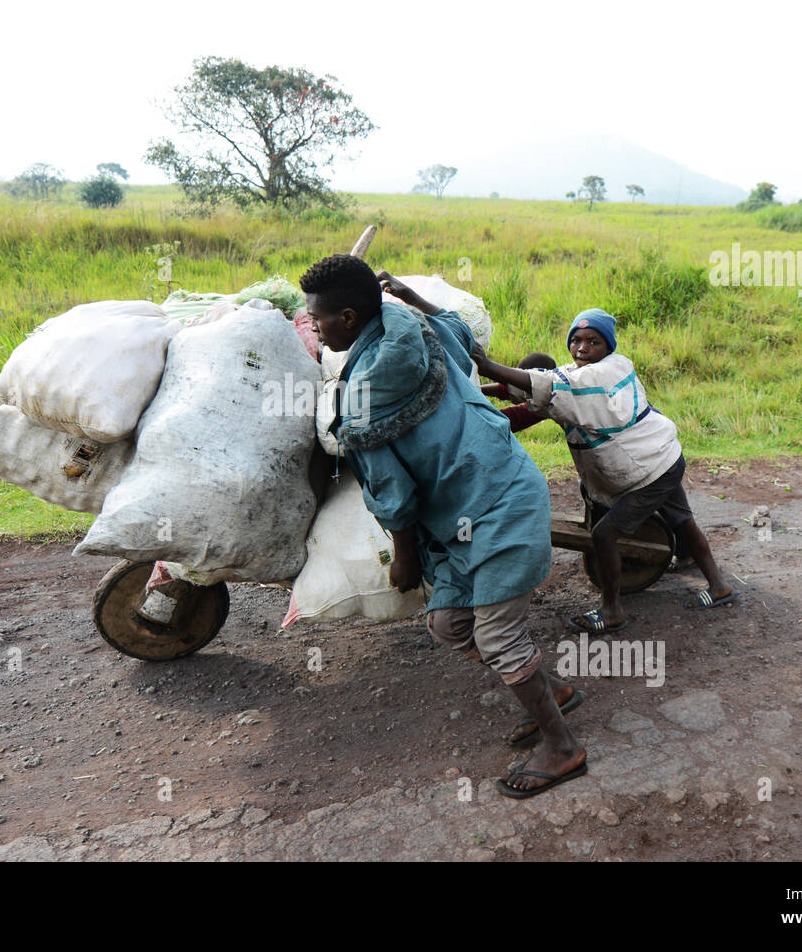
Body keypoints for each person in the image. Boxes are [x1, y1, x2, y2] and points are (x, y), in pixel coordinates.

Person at [299, 254, 586, 798]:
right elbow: (462, 333)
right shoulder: (417, 325)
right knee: (448, 626)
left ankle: (563, 746)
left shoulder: (361, 402)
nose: (314, 326)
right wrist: (412, 296)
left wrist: (404, 559)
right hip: (479, 505)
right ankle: (554, 691)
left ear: (352, 317)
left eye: (320, 317)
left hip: (498, 509)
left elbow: (393, 494)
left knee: (498, 635)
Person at [472, 308, 737, 634]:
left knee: (605, 533)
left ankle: (612, 611)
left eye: (593, 342)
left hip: (648, 469)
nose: (582, 348)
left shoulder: (601, 374)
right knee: (681, 518)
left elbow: (542, 389)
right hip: (662, 458)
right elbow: (525, 403)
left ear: (607, 347)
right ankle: (714, 581)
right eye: (576, 340)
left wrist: (485, 366)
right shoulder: (576, 375)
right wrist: (475, 393)